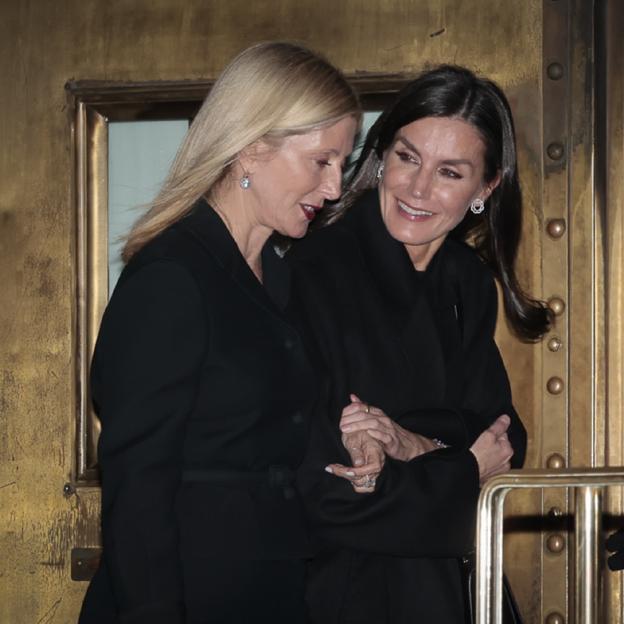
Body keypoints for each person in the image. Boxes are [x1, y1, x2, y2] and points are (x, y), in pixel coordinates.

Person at [77, 42, 361, 624]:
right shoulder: (173, 277)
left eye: (342, 165)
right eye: (320, 162)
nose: (333, 188)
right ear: (253, 147)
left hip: (274, 594)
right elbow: (138, 489)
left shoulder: (282, 278)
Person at [287, 65, 551, 623]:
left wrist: (411, 445)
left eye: (450, 172)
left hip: (458, 588)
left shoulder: (467, 280)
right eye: (407, 158)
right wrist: (458, 467)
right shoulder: (317, 271)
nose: (418, 188)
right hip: (351, 593)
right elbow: (328, 488)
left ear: (486, 187)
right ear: (381, 155)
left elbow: (504, 440)